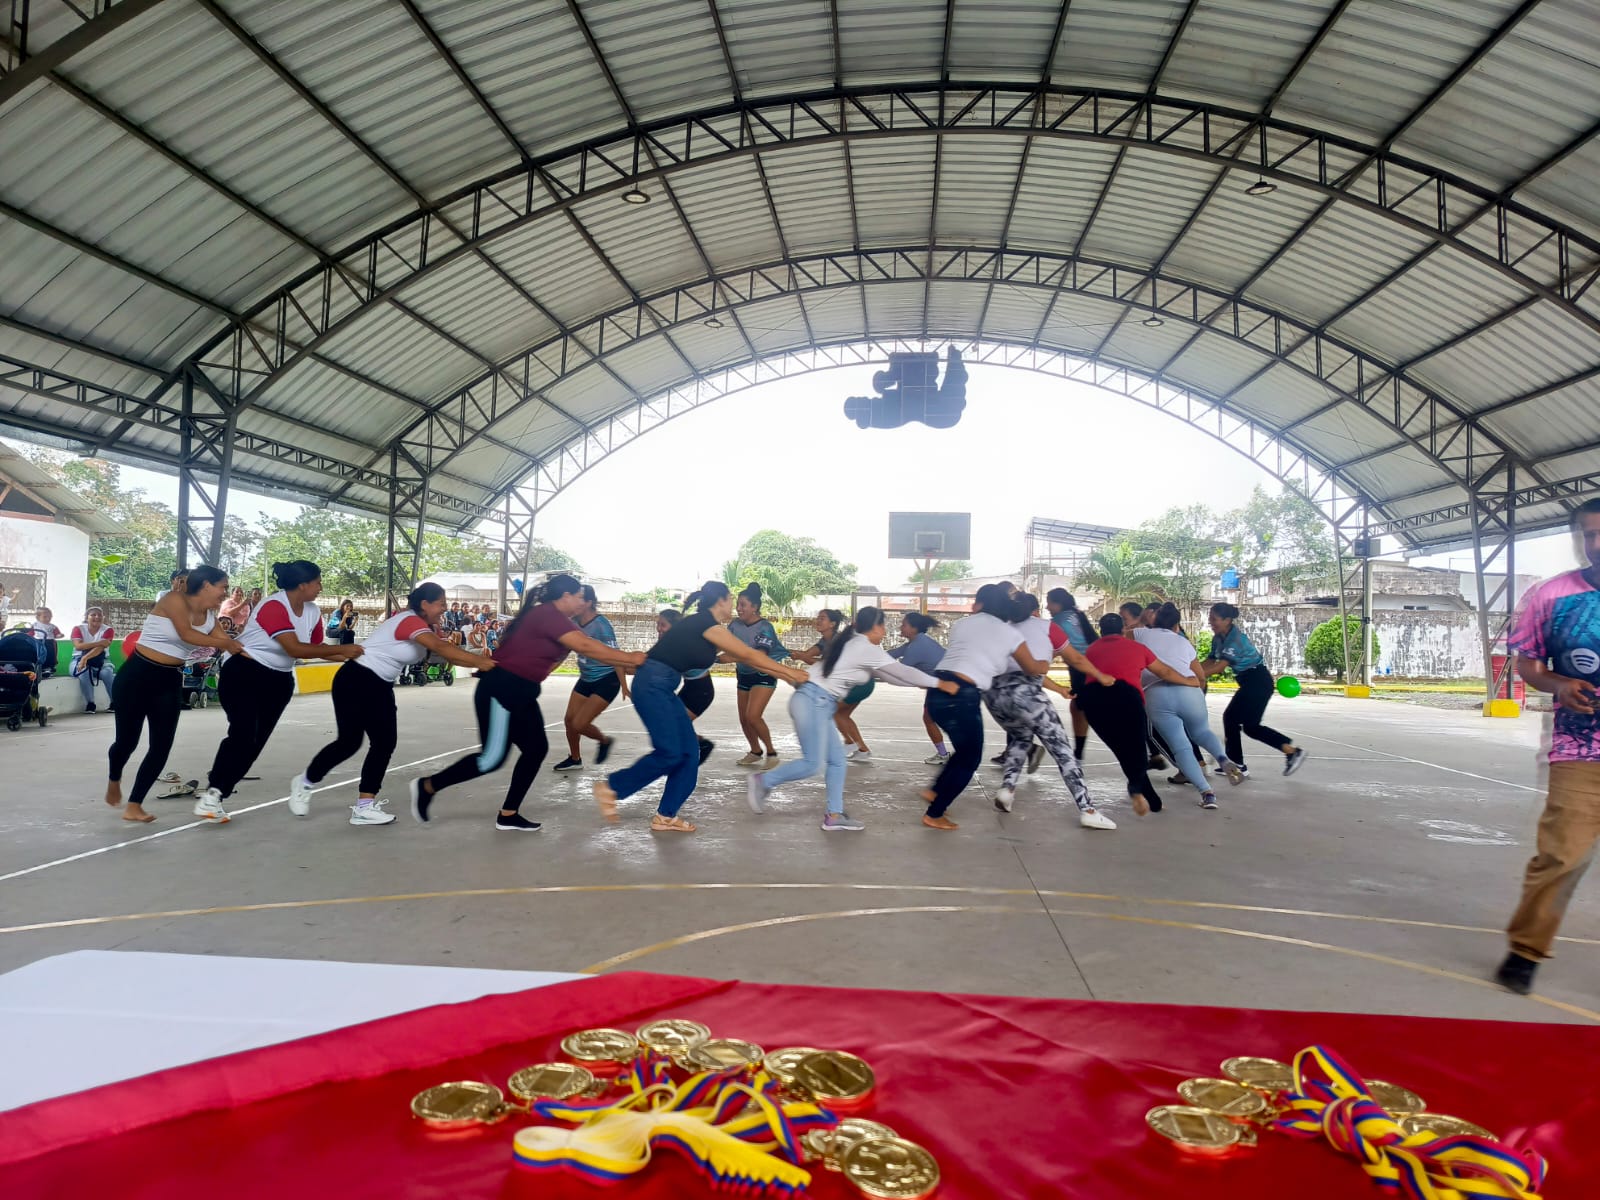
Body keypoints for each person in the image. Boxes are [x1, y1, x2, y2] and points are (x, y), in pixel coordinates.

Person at [410, 575, 642, 831]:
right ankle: (428, 786)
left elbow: (574, 652)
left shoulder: (561, 621)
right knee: (491, 759)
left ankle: (508, 814)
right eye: (578, 596)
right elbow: (587, 646)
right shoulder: (548, 614)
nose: (581, 601)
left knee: (535, 749)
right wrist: (632, 658)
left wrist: (629, 663)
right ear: (565, 596)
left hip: (523, 693)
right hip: (502, 690)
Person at [1493, 498, 1600, 997]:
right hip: (1582, 750)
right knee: (1562, 856)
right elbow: (1529, 665)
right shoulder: (1551, 596)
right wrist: (1559, 685)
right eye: (1588, 534)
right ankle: (1526, 950)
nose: (1596, 544)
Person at [594, 583, 805, 834]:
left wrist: (787, 675)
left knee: (690, 753)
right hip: (652, 685)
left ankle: (666, 815)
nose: (734, 605)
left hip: (664, 687)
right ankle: (613, 788)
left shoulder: (708, 627)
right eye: (731, 600)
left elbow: (746, 657)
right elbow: (750, 655)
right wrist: (791, 672)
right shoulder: (704, 623)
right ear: (720, 601)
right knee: (670, 753)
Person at [290, 582, 491, 827]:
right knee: (349, 743)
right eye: (441, 603)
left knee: (384, 743)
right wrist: (484, 663)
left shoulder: (426, 627)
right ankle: (305, 782)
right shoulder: (409, 620)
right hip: (357, 678)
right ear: (424, 604)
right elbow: (442, 648)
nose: (444, 608)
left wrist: (482, 662)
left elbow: (444, 652)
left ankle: (364, 807)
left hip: (380, 684)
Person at [748, 607, 957, 831]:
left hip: (816, 702)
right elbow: (903, 672)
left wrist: (927, 684)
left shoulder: (853, 643)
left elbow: (892, 676)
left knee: (837, 760)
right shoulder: (864, 646)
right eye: (883, 626)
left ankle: (834, 815)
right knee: (812, 764)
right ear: (875, 627)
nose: (885, 632)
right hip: (813, 701)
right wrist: (939, 683)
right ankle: (763, 781)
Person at [191, 561, 364, 823]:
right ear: (302, 585)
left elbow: (315, 648)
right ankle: (213, 793)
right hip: (244, 672)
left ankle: (217, 794)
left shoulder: (312, 611)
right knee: (243, 734)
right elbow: (295, 648)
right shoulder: (274, 606)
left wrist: (357, 658)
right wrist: (344, 650)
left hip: (279, 680)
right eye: (317, 582)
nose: (320, 587)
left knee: (256, 742)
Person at [105, 567, 244, 823]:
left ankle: (134, 804)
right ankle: (114, 778)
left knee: (161, 746)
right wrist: (226, 643)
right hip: (136, 676)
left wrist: (258, 653)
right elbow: (186, 633)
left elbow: (231, 645)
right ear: (206, 585)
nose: (225, 593)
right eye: (223, 587)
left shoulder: (210, 618)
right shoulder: (174, 599)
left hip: (169, 681)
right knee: (127, 742)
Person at [920, 584, 1052, 831]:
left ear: (981, 604)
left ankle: (935, 791)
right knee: (971, 757)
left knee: (964, 750)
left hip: (938, 689)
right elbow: (1032, 668)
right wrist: (1046, 662)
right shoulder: (1010, 633)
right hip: (963, 695)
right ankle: (934, 813)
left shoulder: (962, 624)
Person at [986, 594, 1118, 828]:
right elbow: (1075, 659)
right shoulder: (1048, 627)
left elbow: (1022, 670)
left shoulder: (1001, 628)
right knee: (1062, 750)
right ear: (1036, 611)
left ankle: (1007, 789)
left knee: (1021, 737)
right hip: (1026, 693)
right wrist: (1100, 676)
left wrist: (1058, 689)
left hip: (994, 696)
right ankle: (1087, 809)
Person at [1081, 613, 1204, 817]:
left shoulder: (1091, 649)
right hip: (1127, 699)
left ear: (1101, 631)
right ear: (1123, 629)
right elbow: (1164, 672)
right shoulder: (1137, 648)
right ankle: (1137, 791)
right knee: (1137, 750)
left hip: (1094, 702)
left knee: (1123, 752)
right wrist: (1189, 681)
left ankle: (1152, 801)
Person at [1134, 603, 1243, 809]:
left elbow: (1122, 634)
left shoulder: (1140, 634)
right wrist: (1197, 696)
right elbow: (1200, 677)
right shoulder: (1184, 643)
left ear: (1154, 620)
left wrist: (1141, 620)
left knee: (1181, 747)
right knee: (1202, 732)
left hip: (1156, 695)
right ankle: (1223, 758)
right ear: (1177, 626)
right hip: (1189, 691)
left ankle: (1207, 793)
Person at [1200, 603, 1306, 778]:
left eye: (1214, 619)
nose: (1211, 622)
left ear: (1227, 620)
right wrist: (1191, 670)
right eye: (1210, 618)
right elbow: (1210, 661)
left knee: (1233, 718)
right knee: (1248, 726)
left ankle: (1238, 764)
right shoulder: (1218, 638)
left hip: (1257, 681)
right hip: (1250, 682)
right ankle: (1290, 751)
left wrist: (1191, 676)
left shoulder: (1235, 640)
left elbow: (1219, 667)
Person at [554, 585, 628, 771]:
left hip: (606, 680)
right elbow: (564, 651)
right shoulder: (573, 623)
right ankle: (575, 758)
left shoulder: (602, 625)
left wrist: (624, 685)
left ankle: (604, 741)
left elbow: (615, 656)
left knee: (579, 723)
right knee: (569, 720)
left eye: (579, 598)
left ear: (588, 602)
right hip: (586, 679)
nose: (575, 602)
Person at [725, 583, 790, 767]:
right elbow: (723, 645)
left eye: (743, 605)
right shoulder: (734, 625)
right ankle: (755, 751)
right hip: (743, 674)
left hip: (763, 673)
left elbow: (760, 655)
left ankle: (772, 753)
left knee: (753, 716)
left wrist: (731, 657)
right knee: (744, 719)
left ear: (754, 607)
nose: (739, 608)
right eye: (738, 604)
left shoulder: (765, 627)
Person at [657, 608, 716, 766]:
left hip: (701, 692)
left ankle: (699, 746)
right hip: (689, 687)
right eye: (658, 624)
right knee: (671, 723)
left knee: (673, 724)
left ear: (674, 627)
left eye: (663, 625)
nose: (659, 629)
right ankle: (698, 744)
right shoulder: (669, 643)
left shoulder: (679, 645)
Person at [890, 612, 951, 764]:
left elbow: (900, 671)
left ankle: (945, 754)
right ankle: (944, 753)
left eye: (904, 625)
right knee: (931, 718)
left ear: (914, 628)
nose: (900, 627)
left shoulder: (916, 646)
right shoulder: (917, 641)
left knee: (931, 719)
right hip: (941, 684)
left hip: (944, 685)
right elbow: (892, 654)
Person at [1046, 589, 1097, 762]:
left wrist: (1036, 665)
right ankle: (1079, 751)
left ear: (1058, 603)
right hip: (1091, 664)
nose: (1047, 607)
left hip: (1081, 667)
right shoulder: (1077, 615)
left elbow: (1052, 650)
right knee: (1078, 707)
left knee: (1083, 708)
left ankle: (1078, 752)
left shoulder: (1058, 622)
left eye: (1049, 603)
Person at [70, 607, 117, 713]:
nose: (97, 617)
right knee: (83, 672)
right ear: (87, 617)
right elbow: (78, 646)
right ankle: (90, 704)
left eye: (100, 615)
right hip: (78, 658)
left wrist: (85, 657)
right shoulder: (78, 628)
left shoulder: (108, 630)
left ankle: (115, 703)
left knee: (107, 673)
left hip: (101, 660)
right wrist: (100, 643)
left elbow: (100, 649)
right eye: (93, 615)